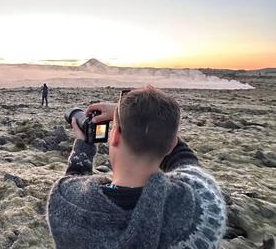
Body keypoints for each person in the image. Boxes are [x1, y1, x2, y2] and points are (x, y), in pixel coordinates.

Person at [47, 86, 226, 248]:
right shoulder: (203, 209)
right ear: (171, 144)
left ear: (115, 135)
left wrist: (84, 144)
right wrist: (129, 115)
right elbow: (186, 160)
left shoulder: (65, 203)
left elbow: (73, 184)